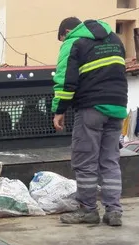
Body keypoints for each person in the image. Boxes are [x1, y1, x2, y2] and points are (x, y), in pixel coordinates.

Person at [51, 17, 128, 227]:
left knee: (86, 160)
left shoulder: (74, 42)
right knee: (110, 161)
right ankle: (114, 211)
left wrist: (59, 110)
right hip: (118, 106)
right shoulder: (115, 40)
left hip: (91, 107)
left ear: (67, 31)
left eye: (62, 39)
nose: (63, 42)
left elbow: (66, 79)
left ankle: (88, 210)